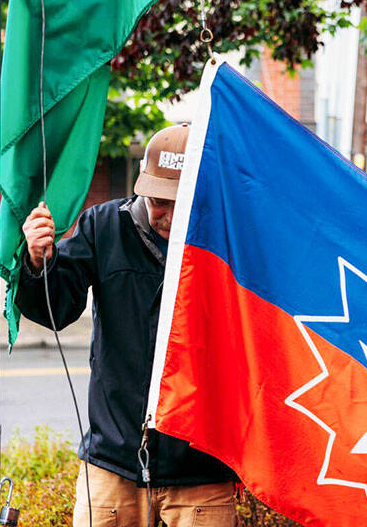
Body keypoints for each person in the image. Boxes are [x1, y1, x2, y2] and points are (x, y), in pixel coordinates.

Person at [17, 123, 237, 527]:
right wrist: (37, 260)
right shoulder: (103, 226)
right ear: (142, 185)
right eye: (158, 201)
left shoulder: (227, 240)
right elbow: (56, 308)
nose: (166, 215)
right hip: (113, 461)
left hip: (201, 466)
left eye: (179, 201)